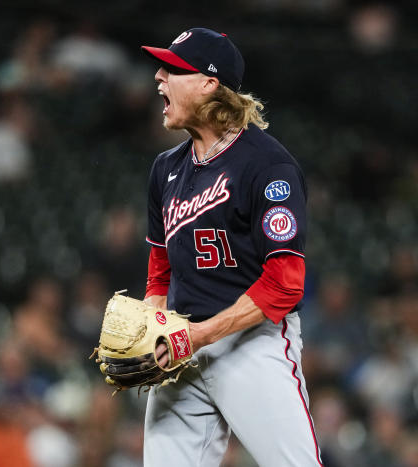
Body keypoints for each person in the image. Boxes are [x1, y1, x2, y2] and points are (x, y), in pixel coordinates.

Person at [138, 28, 322, 466]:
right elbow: (160, 268)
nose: (159, 77)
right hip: (183, 344)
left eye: (173, 69)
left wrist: (197, 336)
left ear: (208, 84)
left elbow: (284, 285)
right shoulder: (165, 168)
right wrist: (151, 324)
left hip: (251, 344)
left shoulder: (267, 165)